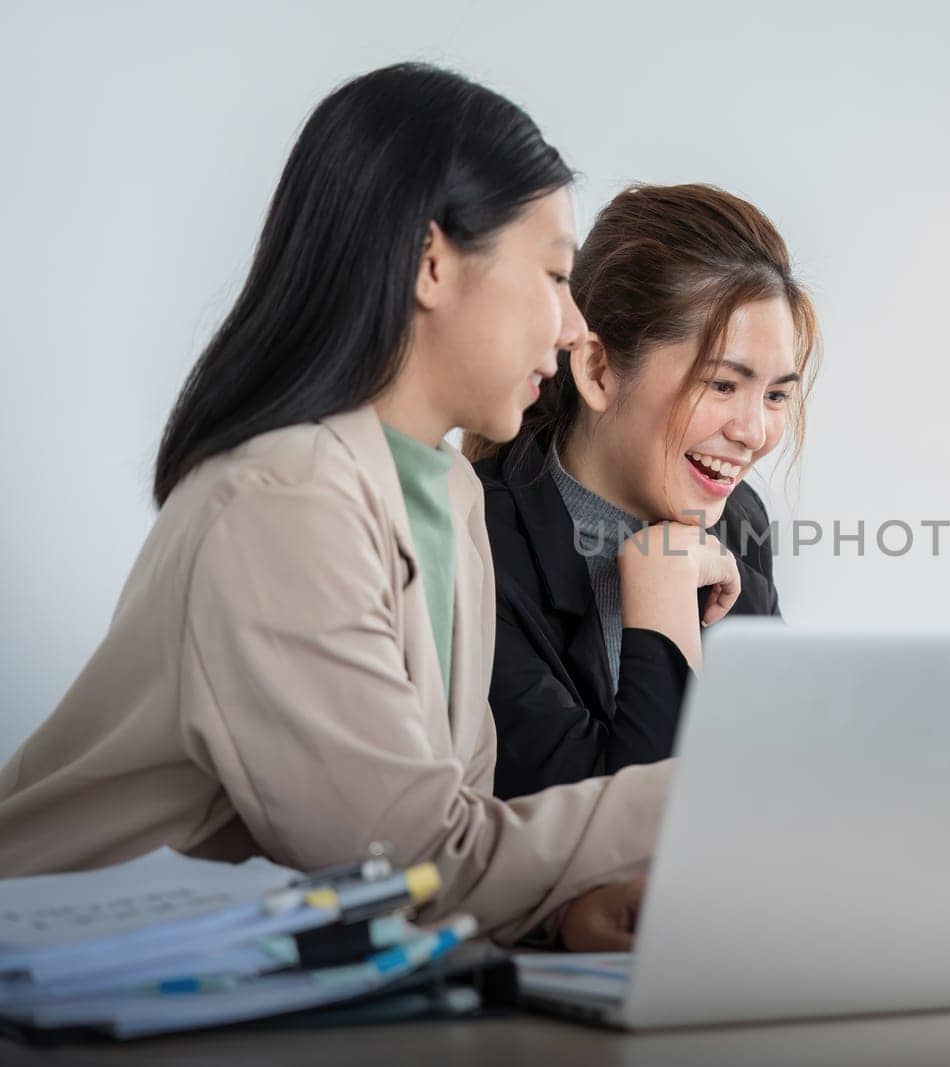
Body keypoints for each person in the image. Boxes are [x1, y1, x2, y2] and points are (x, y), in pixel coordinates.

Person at [0, 64, 659, 950]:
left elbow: (437, 835)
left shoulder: (452, 492)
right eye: (553, 275)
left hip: (244, 979)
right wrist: (708, 792)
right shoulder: (282, 500)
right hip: (65, 983)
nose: (575, 325)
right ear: (431, 262)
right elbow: (412, 860)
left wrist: (560, 916)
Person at [468, 183, 819, 798]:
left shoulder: (737, 518)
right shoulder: (481, 545)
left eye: (775, 394)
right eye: (721, 385)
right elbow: (617, 853)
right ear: (598, 369)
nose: (754, 433)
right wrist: (659, 606)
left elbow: (777, 783)